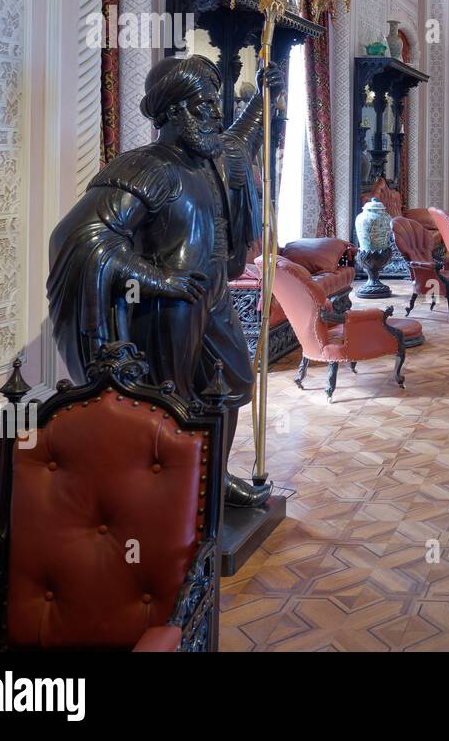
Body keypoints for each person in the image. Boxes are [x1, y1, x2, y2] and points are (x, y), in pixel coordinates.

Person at [47, 56, 283, 508]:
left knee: (232, 383)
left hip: (212, 293)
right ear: (175, 112)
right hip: (167, 306)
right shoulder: (148, 167)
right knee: (171, 399)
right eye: (206, 105)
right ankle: (166, 495)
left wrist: (262, 96)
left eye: (217, 104)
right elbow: (80, 236)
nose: (217, 114)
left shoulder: (213, 157)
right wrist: (158, 279)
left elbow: (243, 138)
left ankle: (213, 475)